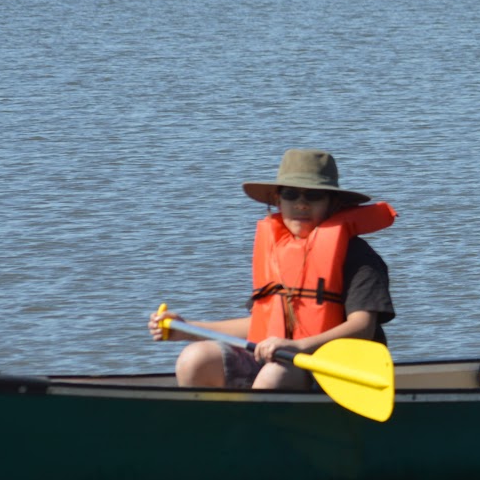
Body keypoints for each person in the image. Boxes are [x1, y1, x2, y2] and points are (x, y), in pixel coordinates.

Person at [150, 149, 395, 389]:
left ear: (333, 204)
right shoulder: (277, 253)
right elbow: (260, 324)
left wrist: (299, 347)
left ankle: (254, 426)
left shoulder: (359, 257)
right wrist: (188, 329)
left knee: (274, 374)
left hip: (333, 368)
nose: (301, 205)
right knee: (196, 359)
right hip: (280, 358)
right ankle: (218, 426)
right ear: (278, 200)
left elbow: (362, 327)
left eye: (313, 196)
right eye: (291, 194)